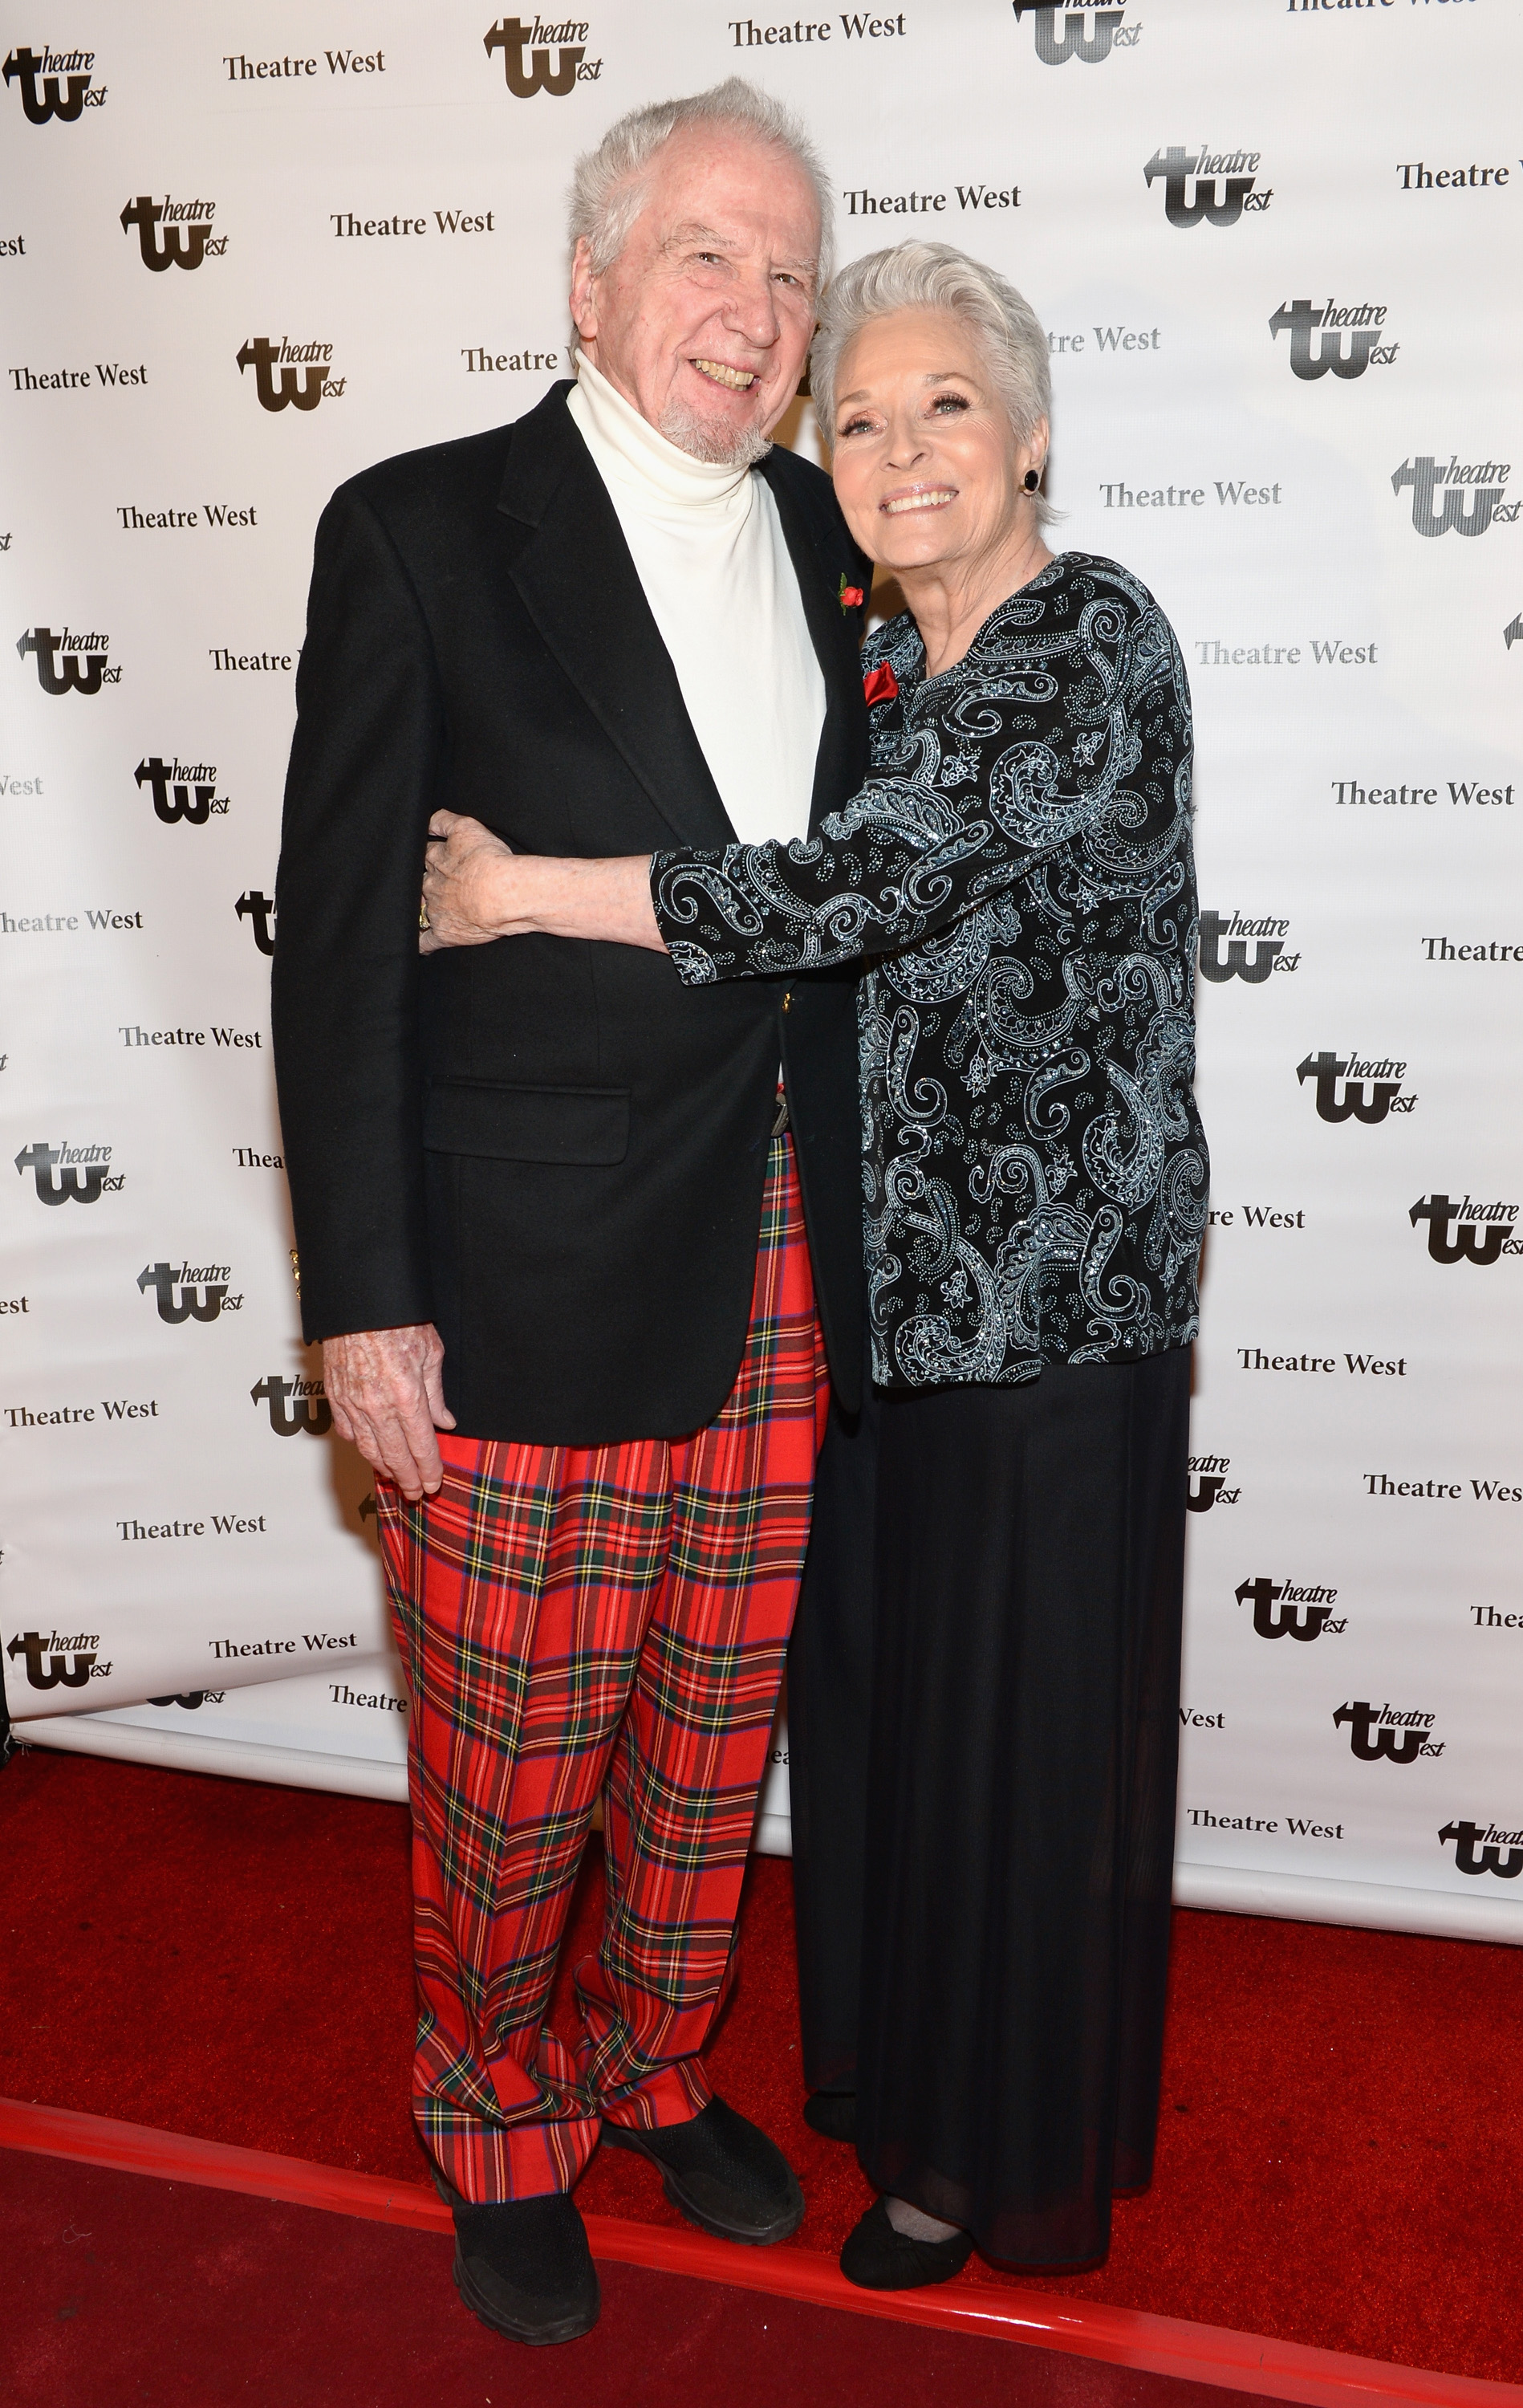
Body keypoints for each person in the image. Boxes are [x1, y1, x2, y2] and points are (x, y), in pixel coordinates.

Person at [418, 240, 1208, 2291]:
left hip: (1047, 1323)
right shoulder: (884, 665)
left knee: (1016, 1757)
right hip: (881, 1317)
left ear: (1029, 438)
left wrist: (520, 895)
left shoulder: (1085, 641)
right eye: (854, 414)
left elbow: (855, 881)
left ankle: (985, 2161)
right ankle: (898, 2086)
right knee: (899, 1740)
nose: (895, 443)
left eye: (944, 403)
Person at [270, 82, 876, 2348]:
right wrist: (366, 1301)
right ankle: (497, 2109)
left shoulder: (837, 536)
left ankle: (647, 2063)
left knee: (711, 1736)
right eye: (710, 255)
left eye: (790, 272)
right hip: (516, 1269)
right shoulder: (421, 527)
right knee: (519, 1761)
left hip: (787, 1248)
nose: (754, 310)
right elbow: (335, 946)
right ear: (592, 279)